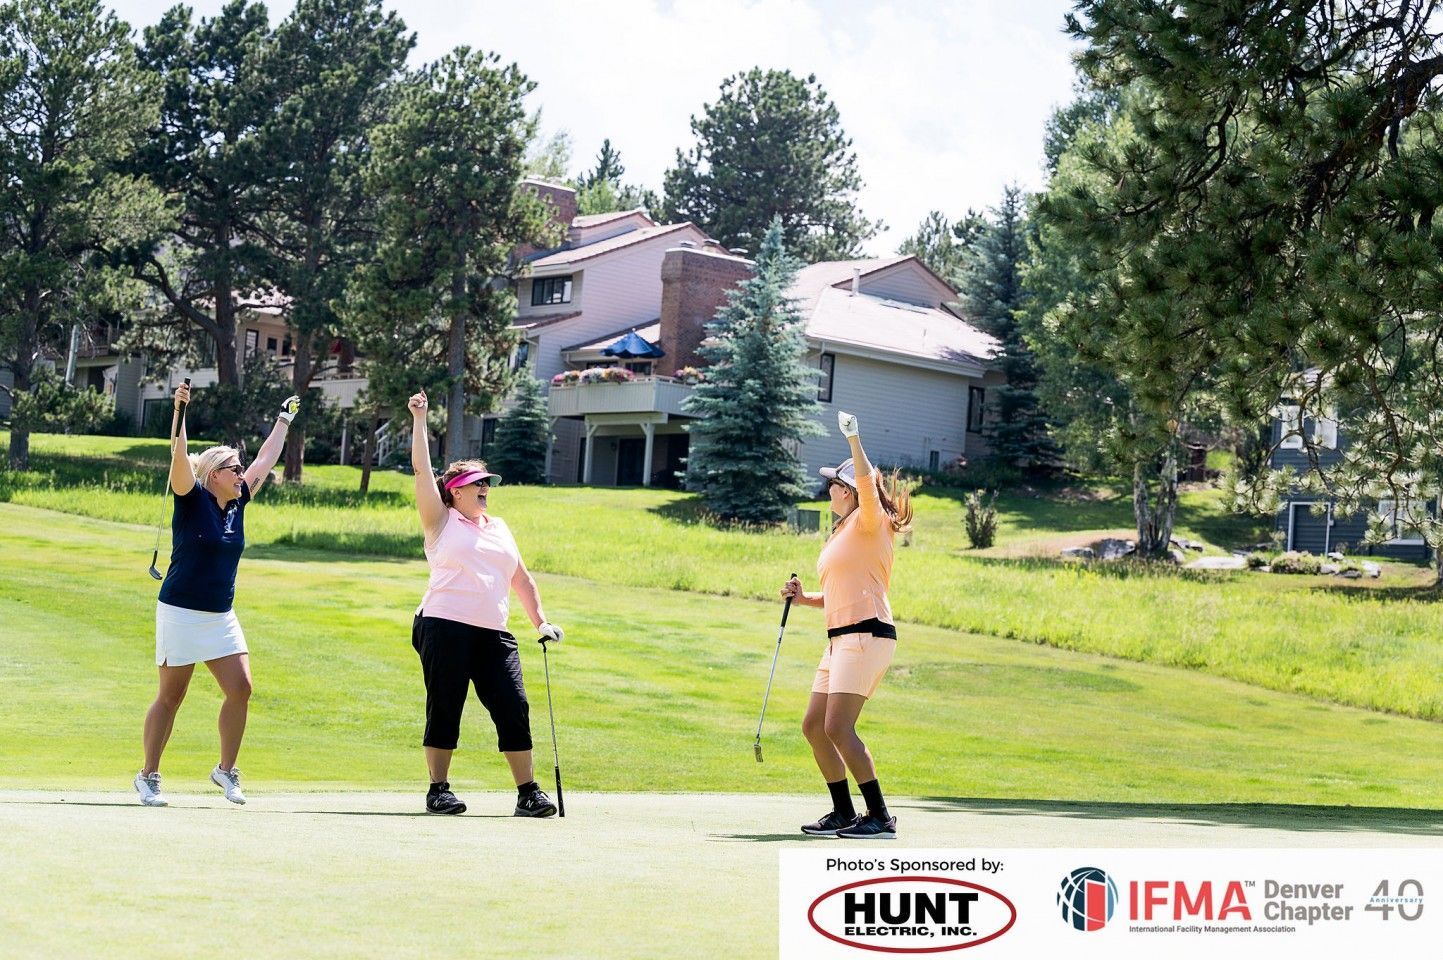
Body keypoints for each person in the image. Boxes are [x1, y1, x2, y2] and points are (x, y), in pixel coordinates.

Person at [134, 384, 300, 807]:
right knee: (171, 697)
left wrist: (284, 419)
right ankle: (148, 775)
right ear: (213, 475)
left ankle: (225, 771)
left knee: (241, 687)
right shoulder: (191, 499)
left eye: (240, 469)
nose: (241, 473)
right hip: (181, 612)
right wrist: (180, 409)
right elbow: (178, 454)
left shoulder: (239, 500)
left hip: (220, 615)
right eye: (233, 468)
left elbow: (266, 459)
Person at [406, 389, 565, 817]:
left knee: (513, 705)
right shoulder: (440, 520)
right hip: (443, 625)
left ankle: (527, 792)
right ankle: (438, 788)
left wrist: (541, 622)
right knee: (446, 704)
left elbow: (521, 578)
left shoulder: (499, 528)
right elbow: (422, 469)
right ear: (456, 491)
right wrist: (420, 418)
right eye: (477, 484)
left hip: (494, 631)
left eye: (487, 484)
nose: (485, 489)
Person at [781, 410, 912, 839]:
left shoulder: (869, 521)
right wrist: (803, 599)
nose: (829, 489)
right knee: (814, 727)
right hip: (839, 639)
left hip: (867, 634)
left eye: (835, 484)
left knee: (838, 727)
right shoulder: (842, 533)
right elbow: (839, 595)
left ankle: (880, 817)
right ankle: (843, 811)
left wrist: (854, 440)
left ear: (852, 490)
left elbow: (869, 486)